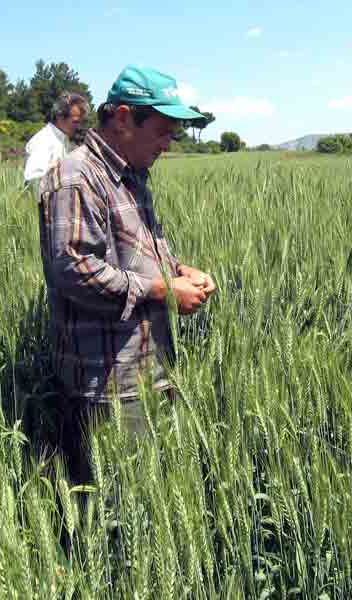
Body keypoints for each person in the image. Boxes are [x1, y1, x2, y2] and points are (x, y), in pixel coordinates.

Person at [38, 65, 214, 481]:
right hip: (107, 381)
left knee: (152, 498)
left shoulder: (132, 178)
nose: (167, 144)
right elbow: (73, 268)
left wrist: (183, 272)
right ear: (121, 117)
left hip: (151, 368)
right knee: (116, 511)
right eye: (163, 130)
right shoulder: (74, 178)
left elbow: (137, 254)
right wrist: (161, 290)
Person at [23, 91, 89, 185]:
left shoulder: (67, 140)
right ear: (60, 117)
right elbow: (32, 179)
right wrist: (58, 170)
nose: (79, 126)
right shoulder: (43, 141)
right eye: (75, 122)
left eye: (81, 122)